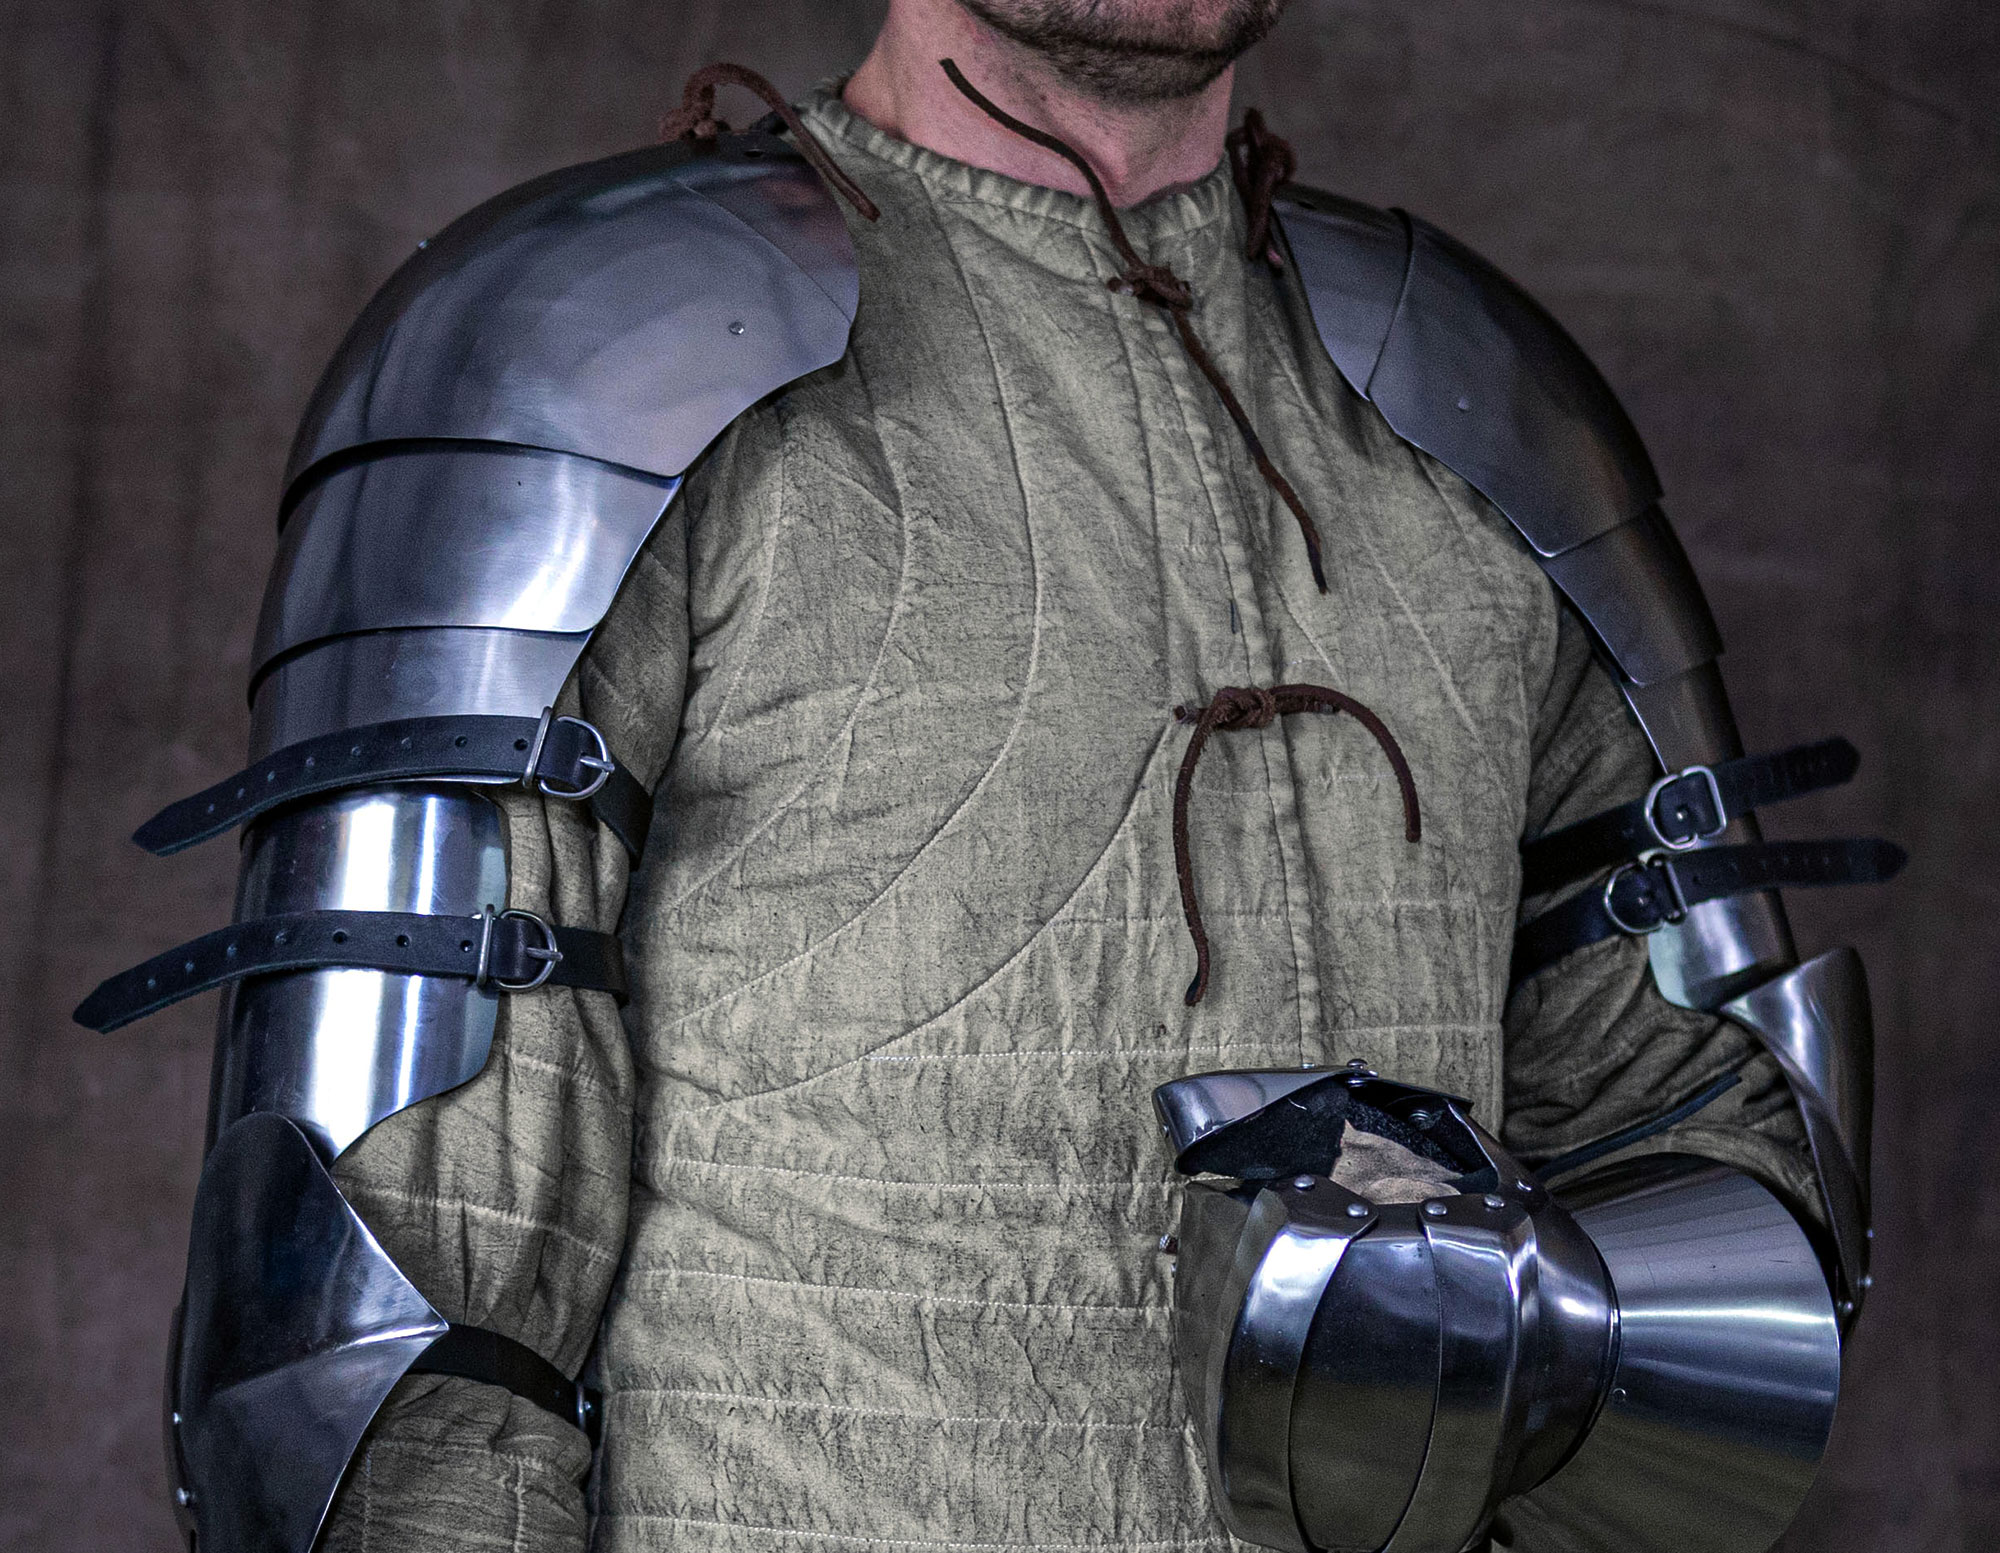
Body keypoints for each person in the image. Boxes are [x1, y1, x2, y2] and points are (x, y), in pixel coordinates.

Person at [85, 2, 1899, 1550]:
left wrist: (1524, 1323)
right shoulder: (591, 362)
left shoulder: (1489, 421)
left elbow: (1717, 1173)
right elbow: (389, 1299)